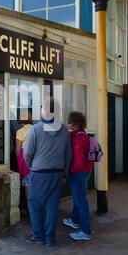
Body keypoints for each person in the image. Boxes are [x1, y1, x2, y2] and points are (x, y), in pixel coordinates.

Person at [23, 97, 72, 247]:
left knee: (34, 204)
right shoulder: (64, 130)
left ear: (44, 111)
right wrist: (64, 173)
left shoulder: (36, 129)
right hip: (57, 173)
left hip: (39, 172)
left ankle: (38, 236)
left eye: (42, 107)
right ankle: (50, 238)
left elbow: (28, 153)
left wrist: (33, 166)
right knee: (52, 206)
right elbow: (68, 154)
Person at [63, 111, 93, 241]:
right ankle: (74, 220)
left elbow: (79, 161)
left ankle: (86, 231)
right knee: (78, 197)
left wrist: (70, 171)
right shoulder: (81, 134)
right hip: (85, 170)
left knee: (81, 201)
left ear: (75, 123)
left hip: (79, 172)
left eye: (69, 121)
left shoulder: (78, 138)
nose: (67, 123)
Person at [15, 110, 33, 203]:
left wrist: (18, 160)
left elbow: (18, 149)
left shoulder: (20, 131)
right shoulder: (35, 129)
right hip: (36, 158)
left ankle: (31, 210)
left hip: (25, 159)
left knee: (27, 184)